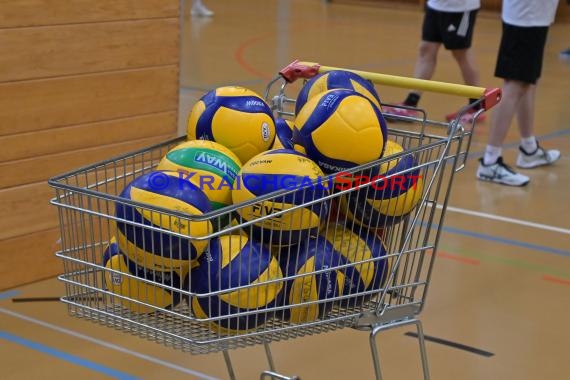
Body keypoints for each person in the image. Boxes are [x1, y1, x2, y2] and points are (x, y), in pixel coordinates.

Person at [476, 0, 561, 186]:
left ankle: (529, 149)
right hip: (526, 17)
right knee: (515, 84)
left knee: (528, 82)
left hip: (535, 16)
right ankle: (490, 161)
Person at [383, 0, 484, 124]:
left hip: (459, 7)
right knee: (426, 48)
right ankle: (411, 103)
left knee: (460, 52)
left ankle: (475, 106)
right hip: (436, 4)